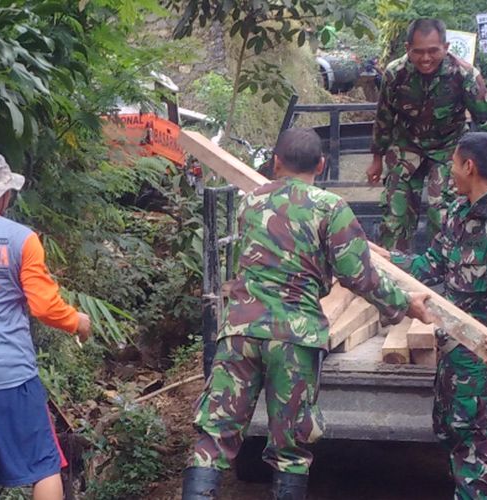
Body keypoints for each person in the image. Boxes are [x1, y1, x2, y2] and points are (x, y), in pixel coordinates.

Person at [181, 128, 435, 500]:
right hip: (294, 339)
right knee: (291, 448)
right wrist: (404, 304)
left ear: (275, 162)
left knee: (215, 435)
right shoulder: (331, 208)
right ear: (322, 164)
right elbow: (358, 276)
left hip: (240, 333)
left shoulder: (250, 202)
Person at [377, 132, 487, 499]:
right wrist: (387, 259)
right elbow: (429, 266)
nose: (448, 171)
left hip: (477, 348)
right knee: (449, 428)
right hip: (452, 344)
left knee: (468, 436)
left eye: (453, 163)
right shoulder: (459, 216)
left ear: (469, 166)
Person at [0, 151, 92, 500]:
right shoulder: (21, 239)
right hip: (10, 376)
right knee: (44, 467)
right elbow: (44, 306)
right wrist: (78, 322)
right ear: (4, 194)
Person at [367, 18, 487, 252]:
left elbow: (485, 122)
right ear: (408, 49)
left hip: (449, 147)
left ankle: (447, 277)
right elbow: (384, 118)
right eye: (418, 52)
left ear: (446, 48)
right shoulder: (394, 74)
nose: (425, 58)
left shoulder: (464, 75)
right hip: (407, 145)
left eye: (433, 51)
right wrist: (377, 159)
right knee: (395, 216)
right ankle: (395, 278)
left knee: (444, 214)